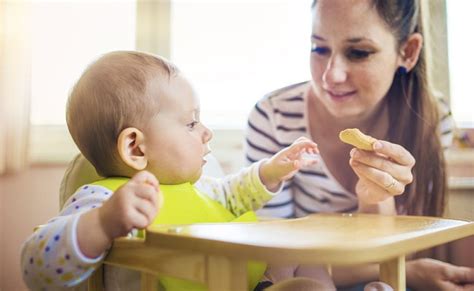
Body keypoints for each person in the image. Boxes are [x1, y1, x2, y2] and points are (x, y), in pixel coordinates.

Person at [20, 51, 345, 291]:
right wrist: (102, 223)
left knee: (310, 262)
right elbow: (37, 268)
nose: (206, 132)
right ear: (136, 147)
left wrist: (272, 170)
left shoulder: (200, 188)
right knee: (306, 289)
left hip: (245, 282)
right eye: (191, 123)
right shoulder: (105, 200)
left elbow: (235, 193)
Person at [245, 0, 474, 290]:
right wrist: (410, 272)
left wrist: (376, 198)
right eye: (319, 48)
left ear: (408, 52)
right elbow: (271, 261)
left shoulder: (430, 119)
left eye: (358, 52)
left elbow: (395, 245)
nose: (332, 75)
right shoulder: (273, 117)